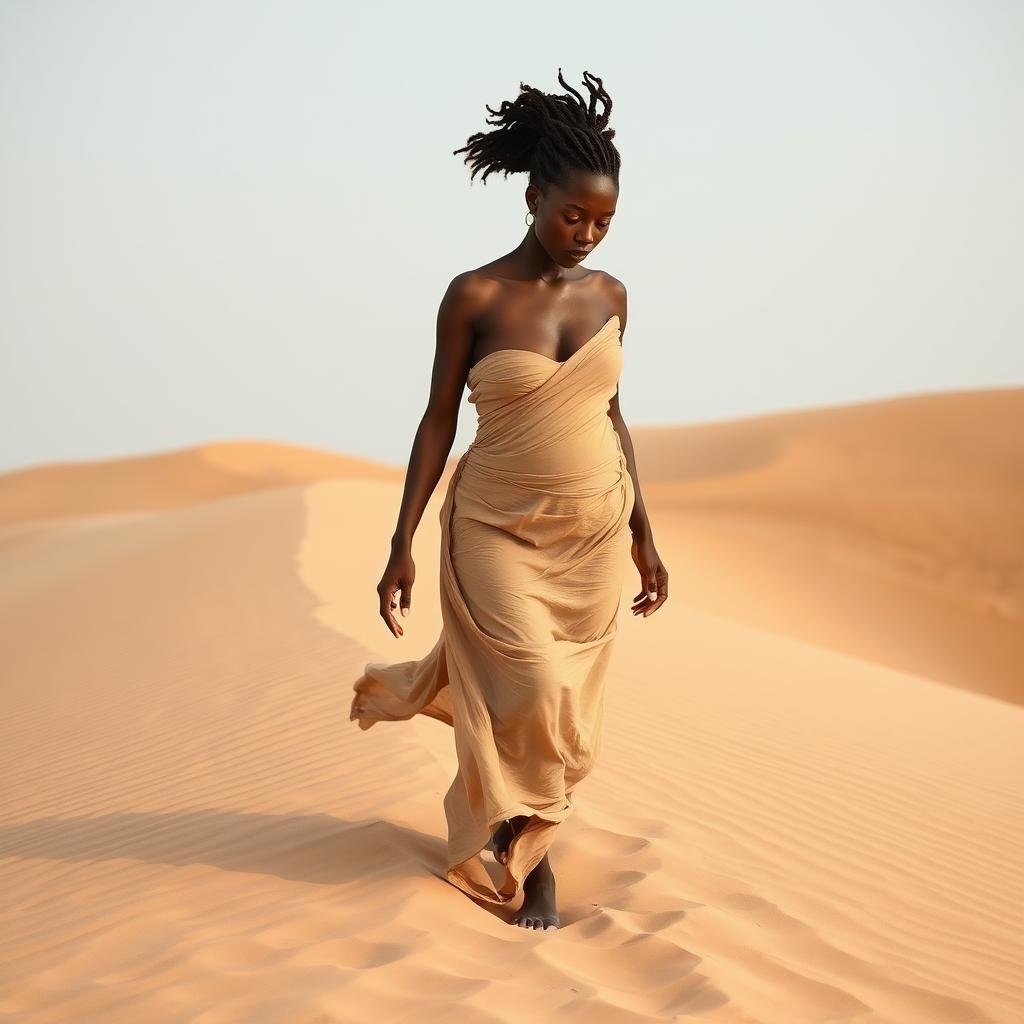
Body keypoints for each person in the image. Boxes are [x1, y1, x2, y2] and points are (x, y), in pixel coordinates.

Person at [349, 68, 668, 931]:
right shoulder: (476, 296)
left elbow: (613, 415)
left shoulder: (611, 297)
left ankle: (517, 825)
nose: (587, 235)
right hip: (493, 526)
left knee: (565, 709)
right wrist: (401, 541)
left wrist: (645, 534)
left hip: (592, 536)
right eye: (573, 217)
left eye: (603, 222)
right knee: (531, 682)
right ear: (533, 199)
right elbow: (437, 419)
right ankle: (535, 856)